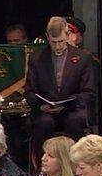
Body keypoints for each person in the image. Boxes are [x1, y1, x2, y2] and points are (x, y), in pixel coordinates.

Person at [24, 17, 94, 161]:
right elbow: (30, 91)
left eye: (61, 42)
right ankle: (42, 166)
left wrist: (69, 104)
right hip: (45, 110)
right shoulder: (37, 58)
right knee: (43, 123)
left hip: (72, 108)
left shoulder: (83, 57)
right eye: (53, 42)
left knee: (74, 121)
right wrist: (41, 105)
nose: (57, 46)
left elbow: (88, 92)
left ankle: (75, 166)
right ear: (47, 36)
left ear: (68, 35)